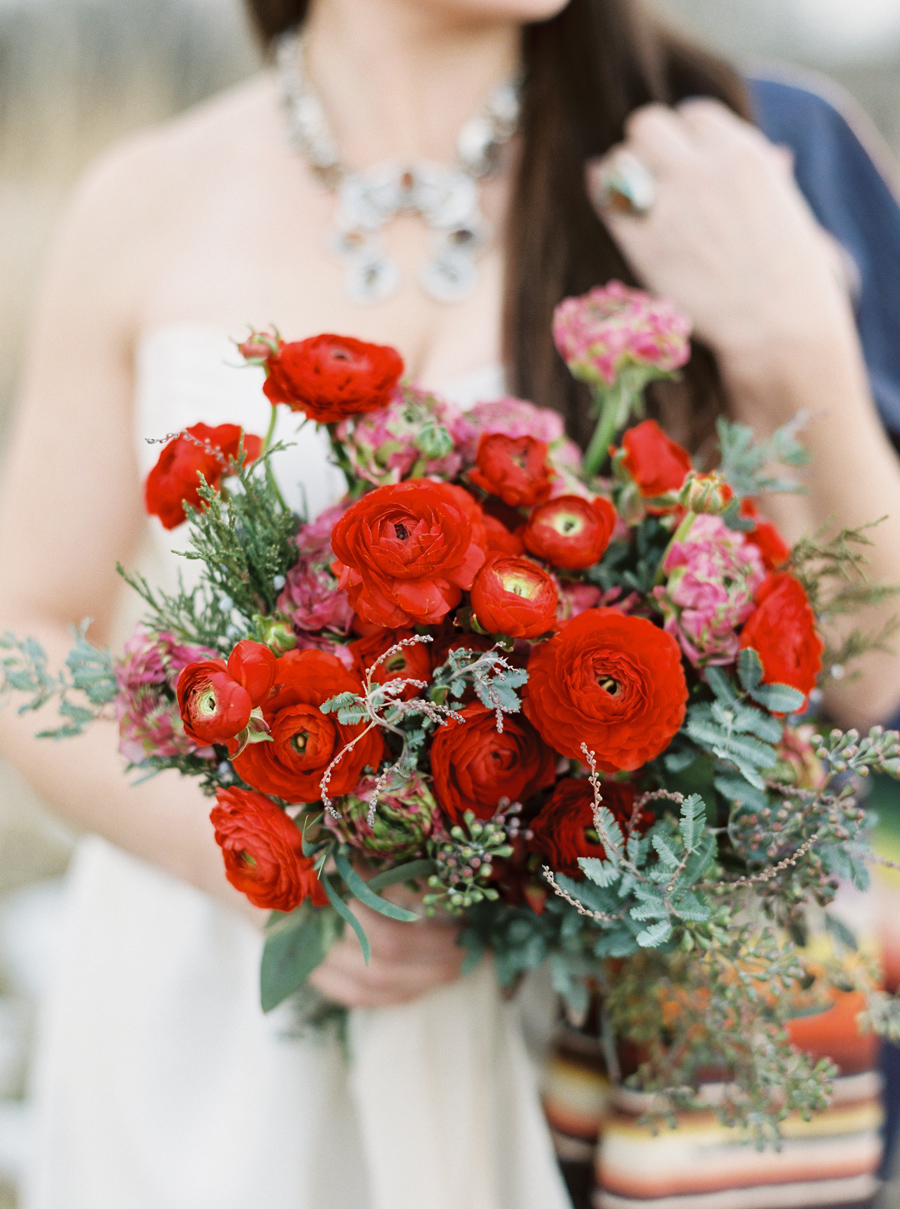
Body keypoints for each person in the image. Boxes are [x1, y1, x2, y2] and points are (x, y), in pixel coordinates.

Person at [1, 0, 900, 1206]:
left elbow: (866, 667)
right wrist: (265, 872)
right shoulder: (145, 199)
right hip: (219, 1043)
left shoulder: (721, 157)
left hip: (591, 1051)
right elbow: (28, 631)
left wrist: (796, 341)